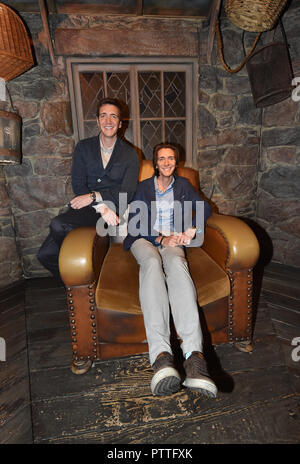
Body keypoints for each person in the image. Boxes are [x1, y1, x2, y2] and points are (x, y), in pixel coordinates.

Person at [123, 143, 217, 398]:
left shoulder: (184, 186)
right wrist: (160, 239)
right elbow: (134, 222)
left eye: (171, 158)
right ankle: (162, 357)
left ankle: (195, 359)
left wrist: (191, 229)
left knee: (177, 263)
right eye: (161, 158)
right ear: (155, 163)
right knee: (152, 264)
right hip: (145, 239)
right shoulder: (143, 188)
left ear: (177, 162)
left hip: (174, 240)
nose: (166, 162)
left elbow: (205, 208)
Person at [38, 97, 140, 284]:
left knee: (57, 225)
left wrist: (96, 196)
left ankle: (90, 281)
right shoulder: (83, 148)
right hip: (89, 209)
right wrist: (99, 205)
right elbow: (78, 184)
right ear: (98, 120)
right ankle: (81, 285)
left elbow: (127, 192)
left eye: (113, 116)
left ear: (119, 123)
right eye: (103, 116)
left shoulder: (131, 154)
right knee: (45, 255)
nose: (108, 121)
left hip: (115, 210)